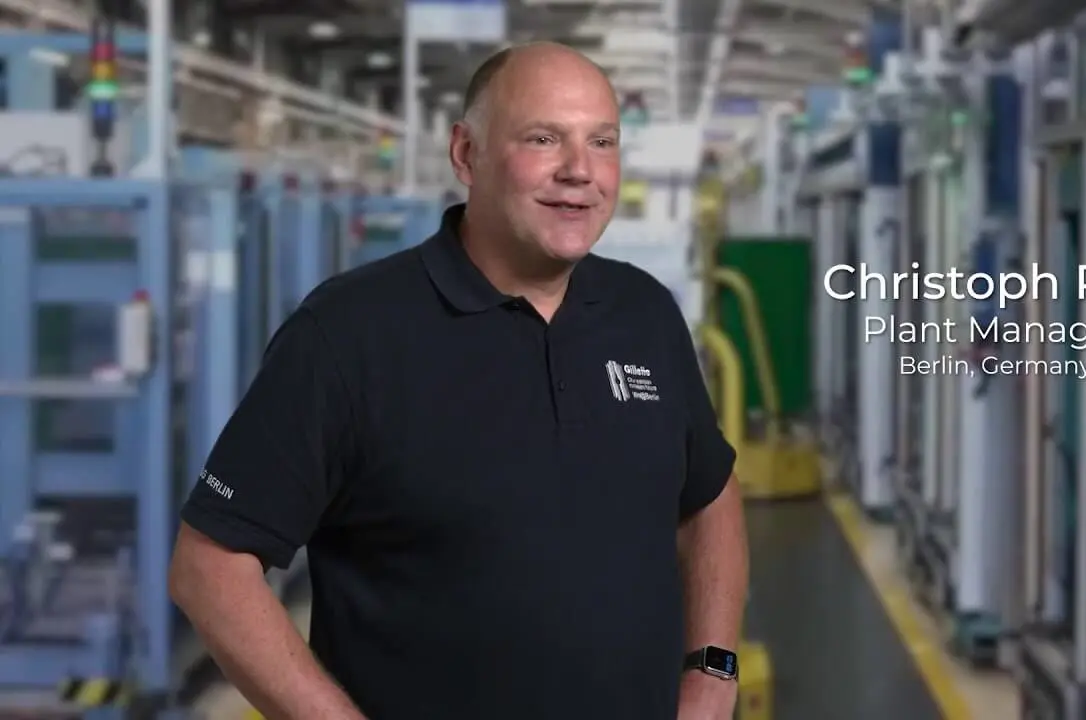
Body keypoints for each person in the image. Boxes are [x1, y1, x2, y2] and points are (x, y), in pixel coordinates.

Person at [169, 41, 748, 720]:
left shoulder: (643, 313)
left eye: (602, 141)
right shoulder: (349, 334)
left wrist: (713, 670)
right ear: (466, 154)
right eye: (543, 139)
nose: (579, 170)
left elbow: (709, 494)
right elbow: (210, 567)